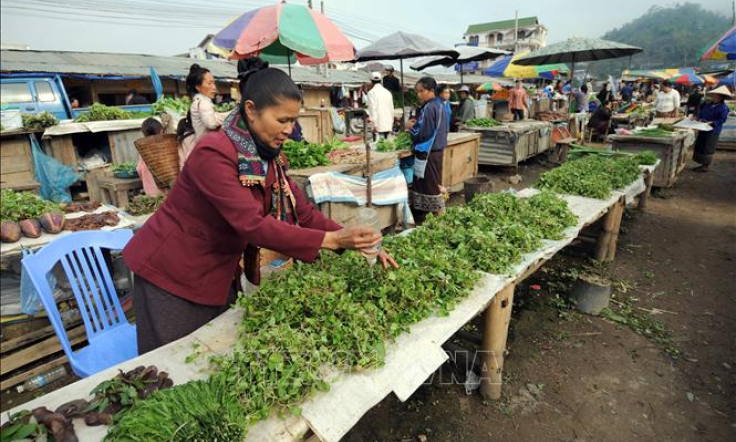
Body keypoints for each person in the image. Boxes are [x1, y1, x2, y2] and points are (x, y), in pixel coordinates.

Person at [123, 57, 398, 354]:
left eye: (293, 121)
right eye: (282, 120)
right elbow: (252, 225)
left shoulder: (269, 156)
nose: (290, 130)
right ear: (251, 110)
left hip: (215, 271)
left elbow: (302, 212)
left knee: (212, 360)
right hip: (172, 274)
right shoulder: (213, 153)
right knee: (173, 369)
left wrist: (358, 240)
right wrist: (330, 240)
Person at [406, 77, 448, 225]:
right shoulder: (440, 104)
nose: (419, 95)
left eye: (421, 91)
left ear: (431, 91)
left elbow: (423, 132)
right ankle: (430, 218)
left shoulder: (429, 107)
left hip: (428, 151)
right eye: (417, 92)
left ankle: (440, 219)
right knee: (431, 183)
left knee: (430, 187)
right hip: (437, 150)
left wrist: (410, 128)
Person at [177, 64, 233, 169]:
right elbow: (211, 123)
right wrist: (232, 114)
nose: (214, 87)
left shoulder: (199, 101)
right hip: (209, 151)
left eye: (214, 83)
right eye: (209, 83)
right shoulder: (203, 102)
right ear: (198, 87)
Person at [692, 86, 731, 172]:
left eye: (715, 94)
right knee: (701, 145)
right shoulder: (708, 104)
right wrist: (696, 117)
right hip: (703, 127)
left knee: (708, 147)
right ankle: (701, 163)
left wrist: (712, 123)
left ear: (720, 96)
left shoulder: (723, 108)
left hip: (713, 131)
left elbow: (722, 120)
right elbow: (700, 111)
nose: (713, 95)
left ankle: (705, 166)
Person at [136, 118, 165, 197]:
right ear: (161, 131)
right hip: (166, 191)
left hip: (149, 189)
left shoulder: (142, 148)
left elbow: (139, 169)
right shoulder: (165, 146)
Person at [366, 71, 394, 141]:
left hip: (378, 125)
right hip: (388, 124)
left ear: (371, 81)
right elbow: (391, 109)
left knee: (379, 146)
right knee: (387, 145)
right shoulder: (388, 92)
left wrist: (374, 124)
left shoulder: (371, 93)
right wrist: (391, 123)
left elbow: (373, 109)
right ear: (380, 80)